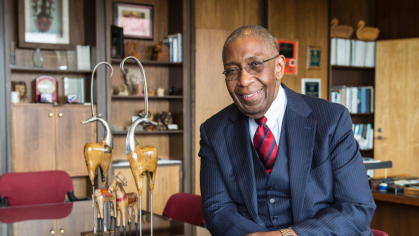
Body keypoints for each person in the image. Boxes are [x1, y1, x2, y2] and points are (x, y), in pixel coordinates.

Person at [199, 25, 376, 236]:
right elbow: (217, 209)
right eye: (232, 71)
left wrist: (288, 235)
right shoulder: (213, 131)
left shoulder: (332, 120)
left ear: (279, 67)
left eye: (255, 65)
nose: (244, 81)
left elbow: (357, 207)